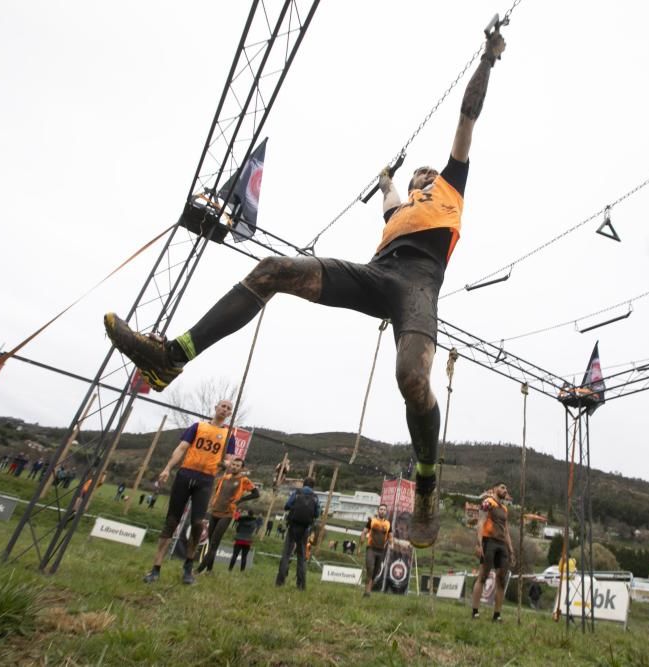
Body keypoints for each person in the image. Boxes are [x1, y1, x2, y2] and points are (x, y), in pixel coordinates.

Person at [103, 30, 508, 550]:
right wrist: (388, 178)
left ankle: (427, 481)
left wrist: (488, 60)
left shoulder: (451, 184)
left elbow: (467, 118)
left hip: (419, 289)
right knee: (273, 269)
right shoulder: (400, 208)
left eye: (425, 172)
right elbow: (388, 193)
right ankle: (171, 356)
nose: (422, 176)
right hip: (376, 275)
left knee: (410, 375)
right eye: (415, 177)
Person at [142, 399, 236, 585]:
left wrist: (225, 465)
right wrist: (168, 468)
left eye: (229, 408)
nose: (225, 409)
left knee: (198, 523)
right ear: (216, 407)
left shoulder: (229, 435)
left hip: (206, 480)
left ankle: (188, 567)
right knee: (172, 520)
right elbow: (182, 448)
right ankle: (155, 568)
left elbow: (229, 460)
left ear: (230, 414)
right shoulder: (198, 426)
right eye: (223, 406)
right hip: (185, 475)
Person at [197, 456, 259, 574]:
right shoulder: (224, 477)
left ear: (242, 468)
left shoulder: (244, 480)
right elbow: (217, 492)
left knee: (214, 543)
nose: (235, 467)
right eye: (233, 465)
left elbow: (256, 493)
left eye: (237, 466)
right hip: (215, 511)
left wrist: (240, 500)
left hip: (227, 513)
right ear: (231, 465)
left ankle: (199, 569)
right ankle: (209, 570)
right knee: (210, 542)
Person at [470, 483, 514, 622]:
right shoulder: (488, 502)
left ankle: (497, 614)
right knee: (483, 575)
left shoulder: (505, 509)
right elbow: (481, 522)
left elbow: (506, 531)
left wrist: (511, 550)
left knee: (501, 579)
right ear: (495, 489)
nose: (505, 490)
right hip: (489, 541)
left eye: (506, 488)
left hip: (502, 544)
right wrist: (478, 543)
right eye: (502, 487)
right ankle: (475, 611)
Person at [275, 477, 320, 590]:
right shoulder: (315, 497)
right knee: (302, 556)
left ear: (303, 484)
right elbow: (317, 514)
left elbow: (287, 505)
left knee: (286, 553)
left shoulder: (296, 493)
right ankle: (301, 585)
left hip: (293, 526)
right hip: (305, 529)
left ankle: (280, 581)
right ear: (313, 486)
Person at [359, 503, 392, 597]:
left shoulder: (388, 524)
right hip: (371, 549)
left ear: (386, 512)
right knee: (370, 569)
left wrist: (392, 543)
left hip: (381, 551)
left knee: (375, 572)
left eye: (384, 510)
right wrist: (361, 540)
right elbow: (364, 532)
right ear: (378, 511)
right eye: (381, 509)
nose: (382, 511)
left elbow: (390, 536)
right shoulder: (371, 521)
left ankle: (368, 590)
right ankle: (367, 592)